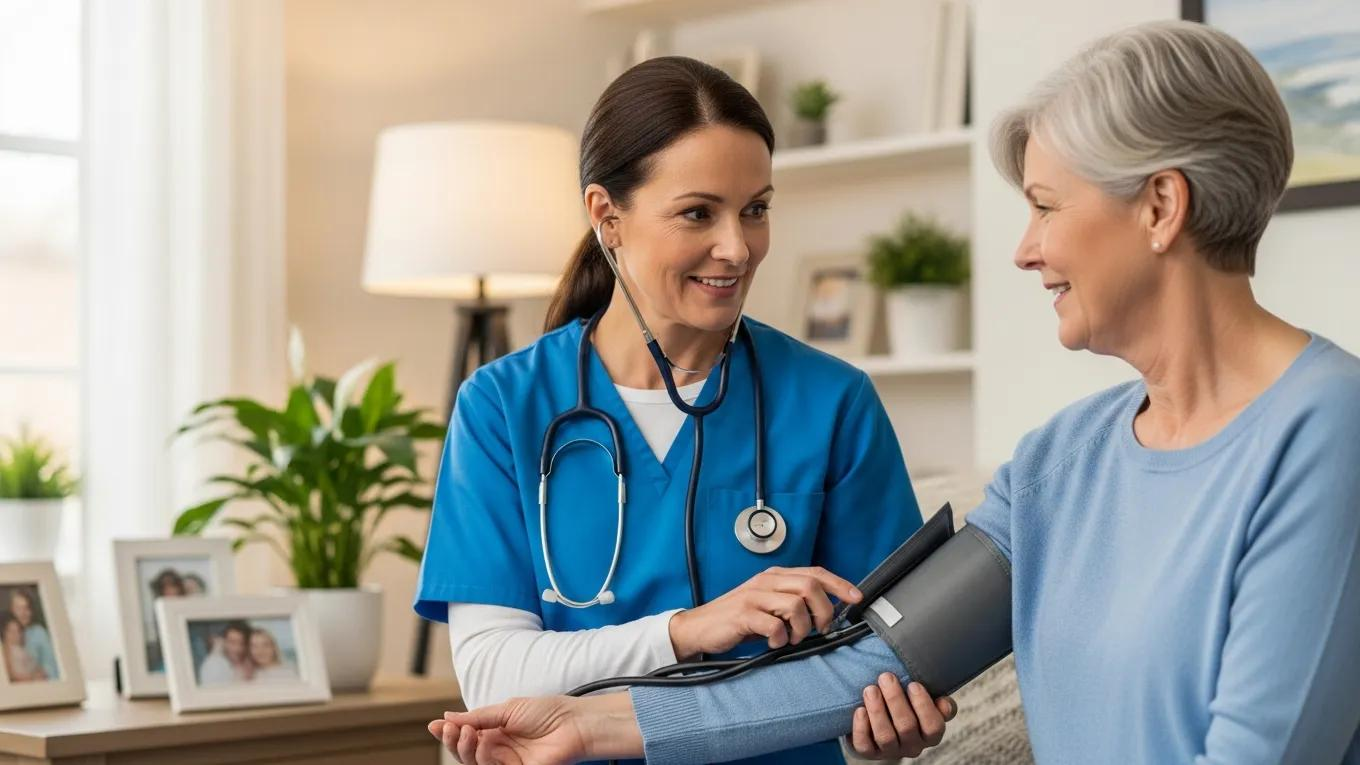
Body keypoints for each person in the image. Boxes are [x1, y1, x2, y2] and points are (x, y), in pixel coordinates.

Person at [429, 20, 1360, 765]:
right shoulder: (1059, 462)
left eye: (1043, 205)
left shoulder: (1326, 430)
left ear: (1159, 208)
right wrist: (593, 726)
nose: (1024, 248)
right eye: (697, 213)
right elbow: (872, 660)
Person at [412, 55, 954, 764]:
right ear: (607, 216)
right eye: (698, 212)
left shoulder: (831, 401)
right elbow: (491, 673)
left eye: (755, 209)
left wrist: (888, 736)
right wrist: (689, 628)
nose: (737, 247)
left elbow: (888, 658)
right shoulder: (503, 406)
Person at [9, 588, 57, 681]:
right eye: (18, 608)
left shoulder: (38, 632)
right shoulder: (6, 634)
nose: (23, 613)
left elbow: (51, 667)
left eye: (26, 608)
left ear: (32, 610)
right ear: (12, 610)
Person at [197, 621, 252, 686]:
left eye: (242, 643)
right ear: (224, 642)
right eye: (232, 642)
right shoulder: (214, 665)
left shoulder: (248, 664)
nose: (237, 648)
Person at [1, 611, 46, 683]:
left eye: (18, 631)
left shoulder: (23, 649)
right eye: (11, 631)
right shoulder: (5, 649)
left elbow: (37, 667)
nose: (16, 635)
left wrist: (40, 674)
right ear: (5, 633)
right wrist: (32, 679)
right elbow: (11, 675)